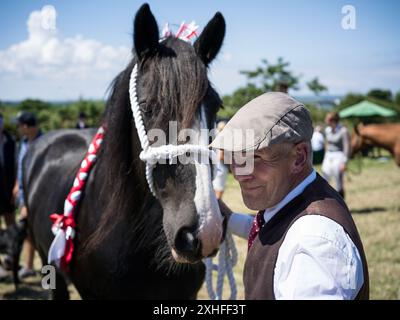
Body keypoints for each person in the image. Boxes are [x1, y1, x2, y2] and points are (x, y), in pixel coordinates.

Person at [211, 92, 369, 299]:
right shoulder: (301, 200)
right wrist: (230, 219)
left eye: (255, 157)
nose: (239, 174)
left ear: (299, 157)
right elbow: (280, 229)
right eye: (234, 157)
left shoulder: (313, 242)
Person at [14, 111, 42, 279]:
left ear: (26, 126)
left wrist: (26, 203)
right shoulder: (23, 143)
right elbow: (21, 170)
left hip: (37, 201)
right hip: (25, 198)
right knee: (28, 235)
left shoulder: (45, 144)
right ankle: (29, 266)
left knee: (45, 245)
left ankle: (51, 283)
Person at [0, 113, 17, 280]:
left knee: (11, 226)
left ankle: (12, 259)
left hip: (8, 190)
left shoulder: (10, 142)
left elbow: (15, 165)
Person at [321, 112, 350, 199]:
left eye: (328, 119)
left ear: (333, 120)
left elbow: (347, 147)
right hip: (329, 155)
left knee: (338, 178)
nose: (326, 121)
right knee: (325, 175)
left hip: (339, 155)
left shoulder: (343, 131)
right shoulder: (327, 130)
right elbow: (327, 144)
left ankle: (341, 201)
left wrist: (344, 162)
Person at [212, 121, 229, 199]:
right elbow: (221, 156)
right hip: (221, 166)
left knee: (214, 189)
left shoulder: (215, 136)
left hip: (215, 165)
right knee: (219, 191)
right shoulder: (223, 138)